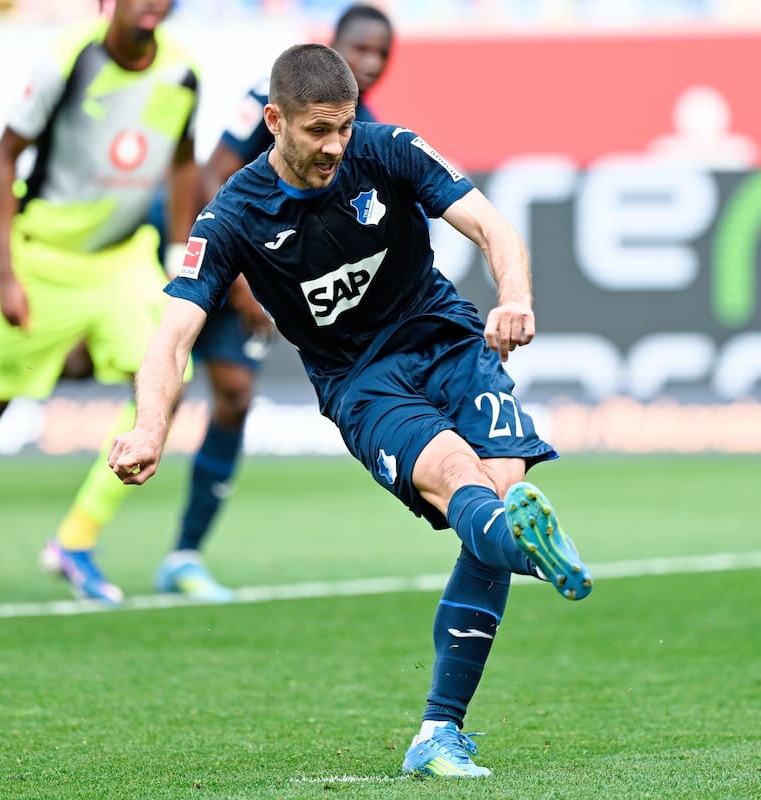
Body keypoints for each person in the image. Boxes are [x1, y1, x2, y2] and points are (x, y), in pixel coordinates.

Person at [107, 44, 593, 778]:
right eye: (317, 131)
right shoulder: (234, 214)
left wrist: (515, 298)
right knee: (465, 480)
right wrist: (150, 427)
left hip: (448, 341)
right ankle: (522, 554)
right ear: (275, 120)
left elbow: (495, 228)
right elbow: (172, 337)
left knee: (496, 500)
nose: (337, 144)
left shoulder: (388, 149)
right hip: (363, 384)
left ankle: (439, 731)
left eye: (344, 126)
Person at [0, 0, 200, 607]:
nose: (154, 4)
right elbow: (5, 158)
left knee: (165, 379)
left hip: (122, 260)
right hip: (45, 256)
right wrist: (6, 272)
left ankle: (76, 541)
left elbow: (183, 163)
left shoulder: (184, 71)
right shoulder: (68, 58)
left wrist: (178, 254)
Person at [151, 2, 395, 602]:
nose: (369, 62)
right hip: (201, 248)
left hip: (255, 269)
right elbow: (215, 174)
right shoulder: (276, 94)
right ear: (332, 44)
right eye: (359, 48)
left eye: (381, 55)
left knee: (234, 394)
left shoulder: (359, 130)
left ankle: (183, 555)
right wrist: (241, 284)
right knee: (133, 369)